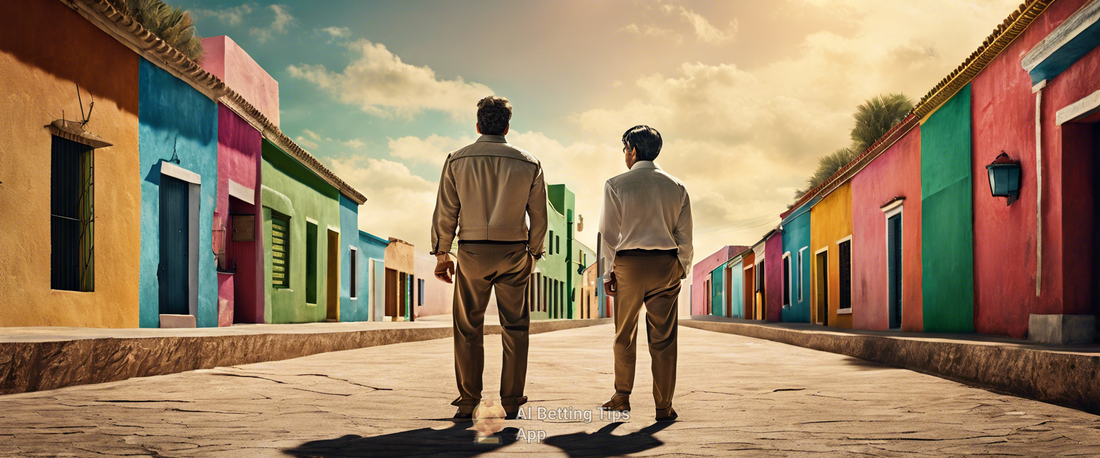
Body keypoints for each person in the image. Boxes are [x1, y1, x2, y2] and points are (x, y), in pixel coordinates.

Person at [431, 96, 548, 420]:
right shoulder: (530, 162)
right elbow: (538, 217)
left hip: (472, 252)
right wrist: (533, 255)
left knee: (468, 327)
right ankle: (511, 401)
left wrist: (443, 254)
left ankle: (469, 400)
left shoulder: (457, 159)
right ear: (507, 126)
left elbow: (446, 211)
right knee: (516, 328)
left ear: (479, 124)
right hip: (514, 251)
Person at [599, 125, 693, 422]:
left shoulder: (616, 184)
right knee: (664, 340)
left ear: (633, 150)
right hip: (666, 264)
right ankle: (663, 406)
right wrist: (681, 267)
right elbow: (685, 235)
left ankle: (622, 396)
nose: (625, 155)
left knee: (624, 334)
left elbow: (608, 234)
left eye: (625, 149)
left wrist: (606, 273)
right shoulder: (676, 186)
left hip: (628, 265)